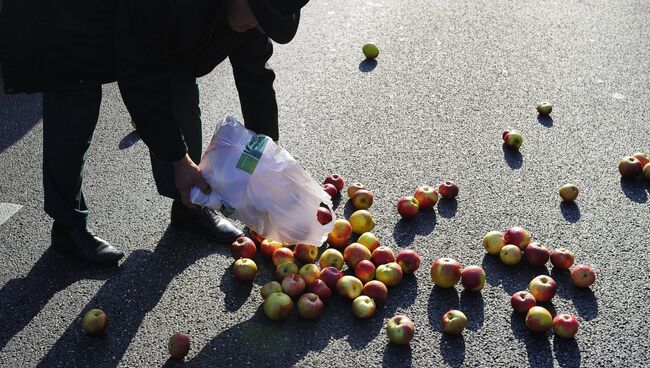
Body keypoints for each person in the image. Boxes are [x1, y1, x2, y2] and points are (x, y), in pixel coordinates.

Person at [0, 0, 309, 266]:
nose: (258, 24)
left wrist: (266, 153)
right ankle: (67, 226)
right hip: (73, 17)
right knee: (73, 109)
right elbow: (143, 80)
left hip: (152, 24)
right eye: (258, 15)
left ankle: (189, 205)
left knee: (181, 90)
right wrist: (178, 159)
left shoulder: (254, 14)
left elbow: (255, 76)